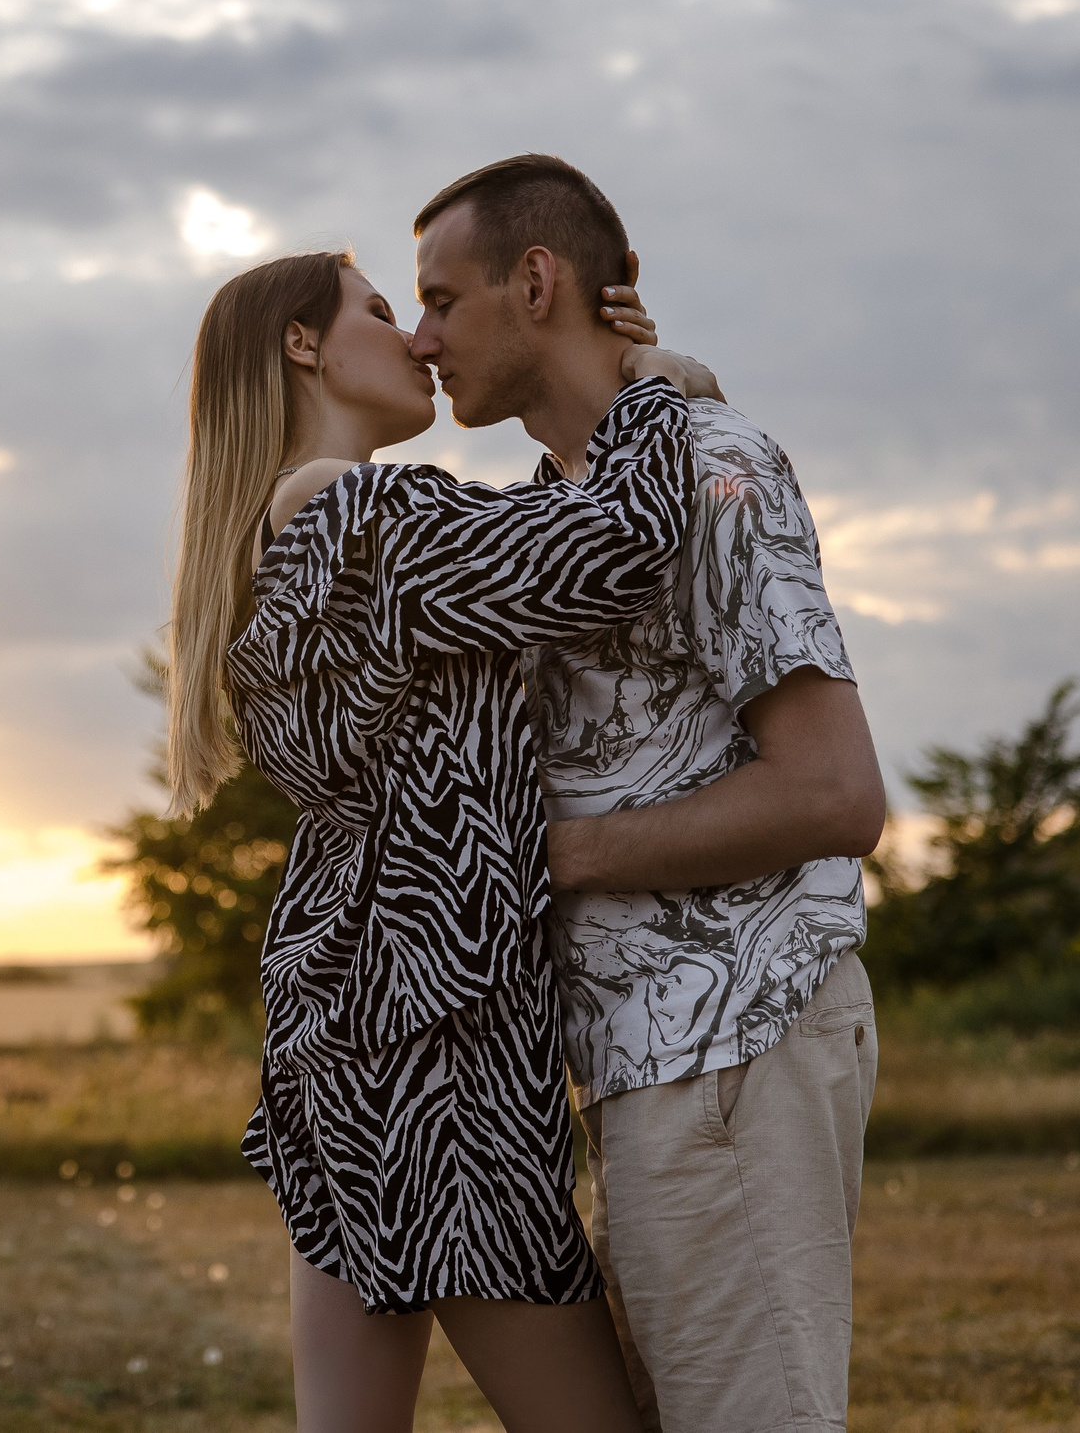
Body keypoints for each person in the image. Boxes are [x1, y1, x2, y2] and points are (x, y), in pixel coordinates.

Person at [165, 248, 714, 1433]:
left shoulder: (279, 543)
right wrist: (657, 386)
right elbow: (613, 549)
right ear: (303, 345)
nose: (417, 339)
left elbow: (540, 538)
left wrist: (590, 385)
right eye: (379, 311)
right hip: (436, 1054)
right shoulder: (363, 515)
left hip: (339, 1030)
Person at [410, 154, 889, 1433]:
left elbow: (837, 794)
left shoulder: (714, 466)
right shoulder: (557, 512)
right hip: (649, 1060)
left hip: (734, 1036)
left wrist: (550, 858)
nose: (422, 337)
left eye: (442, 300)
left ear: (535, 280)